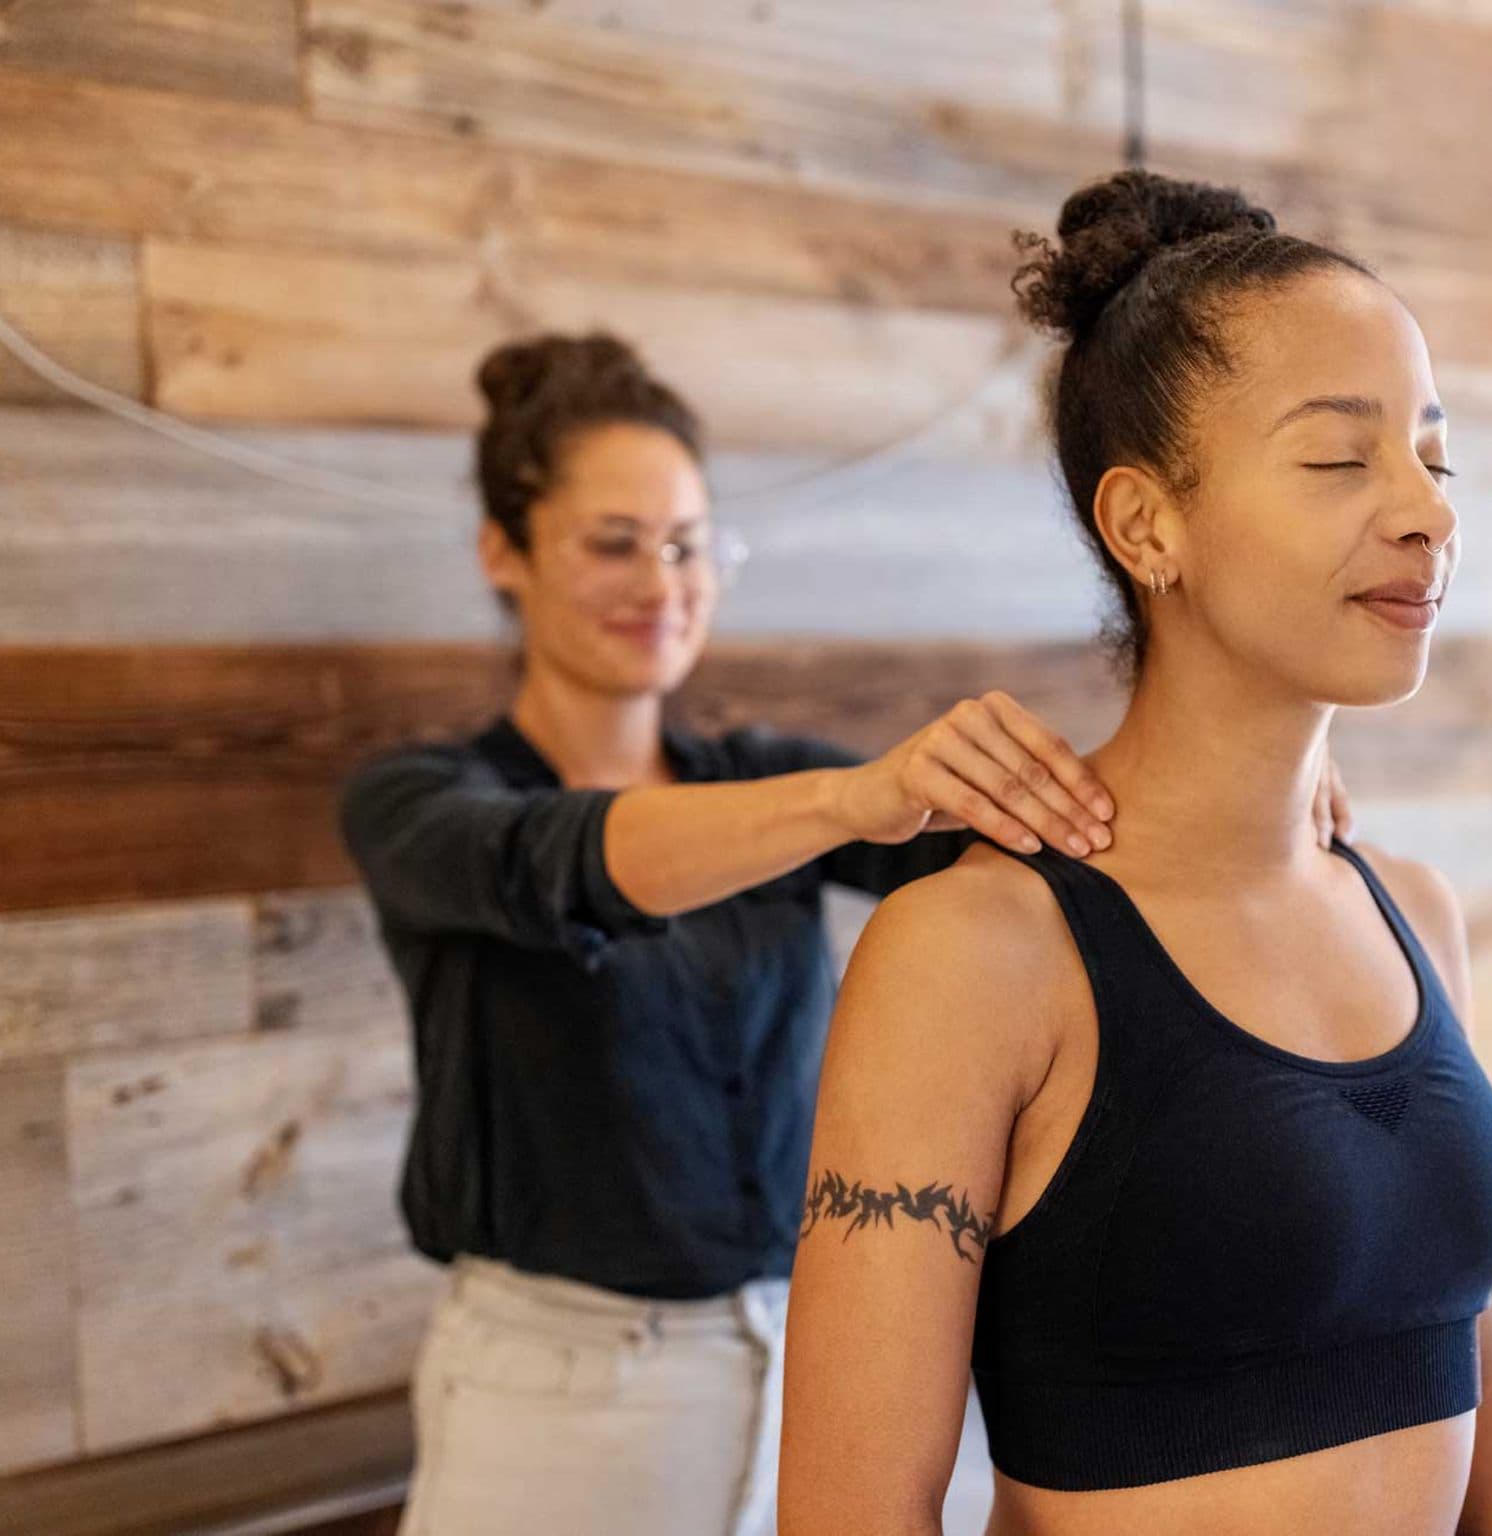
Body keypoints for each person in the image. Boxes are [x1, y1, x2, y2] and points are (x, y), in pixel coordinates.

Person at [337, 331, 1354, 1536]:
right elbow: (553, 861)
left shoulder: (760, 776)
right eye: (613, 543)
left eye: (686, 544)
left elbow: (1049, 844)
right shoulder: (419, 802)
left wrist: (1260, 766)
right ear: (503, 552)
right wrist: (849, 799)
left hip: (800, 1368)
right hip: (554, 1395)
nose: (660, 583)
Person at [778, 171, 1492, 1535]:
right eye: (1343, 458)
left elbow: (1488, 1402)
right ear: (1145, 524)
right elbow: (853, 1517)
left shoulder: (1412, 911)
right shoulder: (973, 957)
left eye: (1433, 455)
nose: (1428, 511)